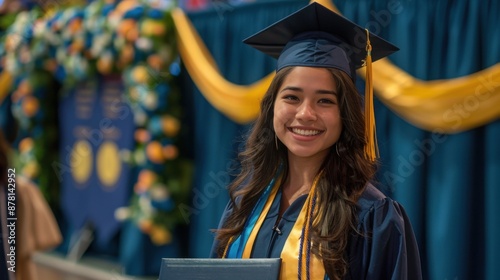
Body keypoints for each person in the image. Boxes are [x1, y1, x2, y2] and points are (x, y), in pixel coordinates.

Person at [209, 3, 422, 280]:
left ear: (345, 114)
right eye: (292, 97)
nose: (305, 114)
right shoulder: (244, 204)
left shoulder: (371, 217)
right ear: (272, 106)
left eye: (325, 101)